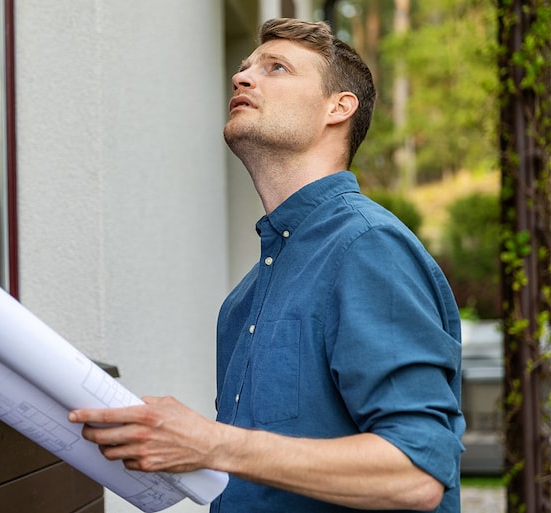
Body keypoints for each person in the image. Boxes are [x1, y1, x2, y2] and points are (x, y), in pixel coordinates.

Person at [67, 18, 465, 513]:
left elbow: (417, 472)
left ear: (337, 108)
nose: (242, 78)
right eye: (244, 68)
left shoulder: (367, 246)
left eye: (276, 68)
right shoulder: (244, 300)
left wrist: (212, 443)